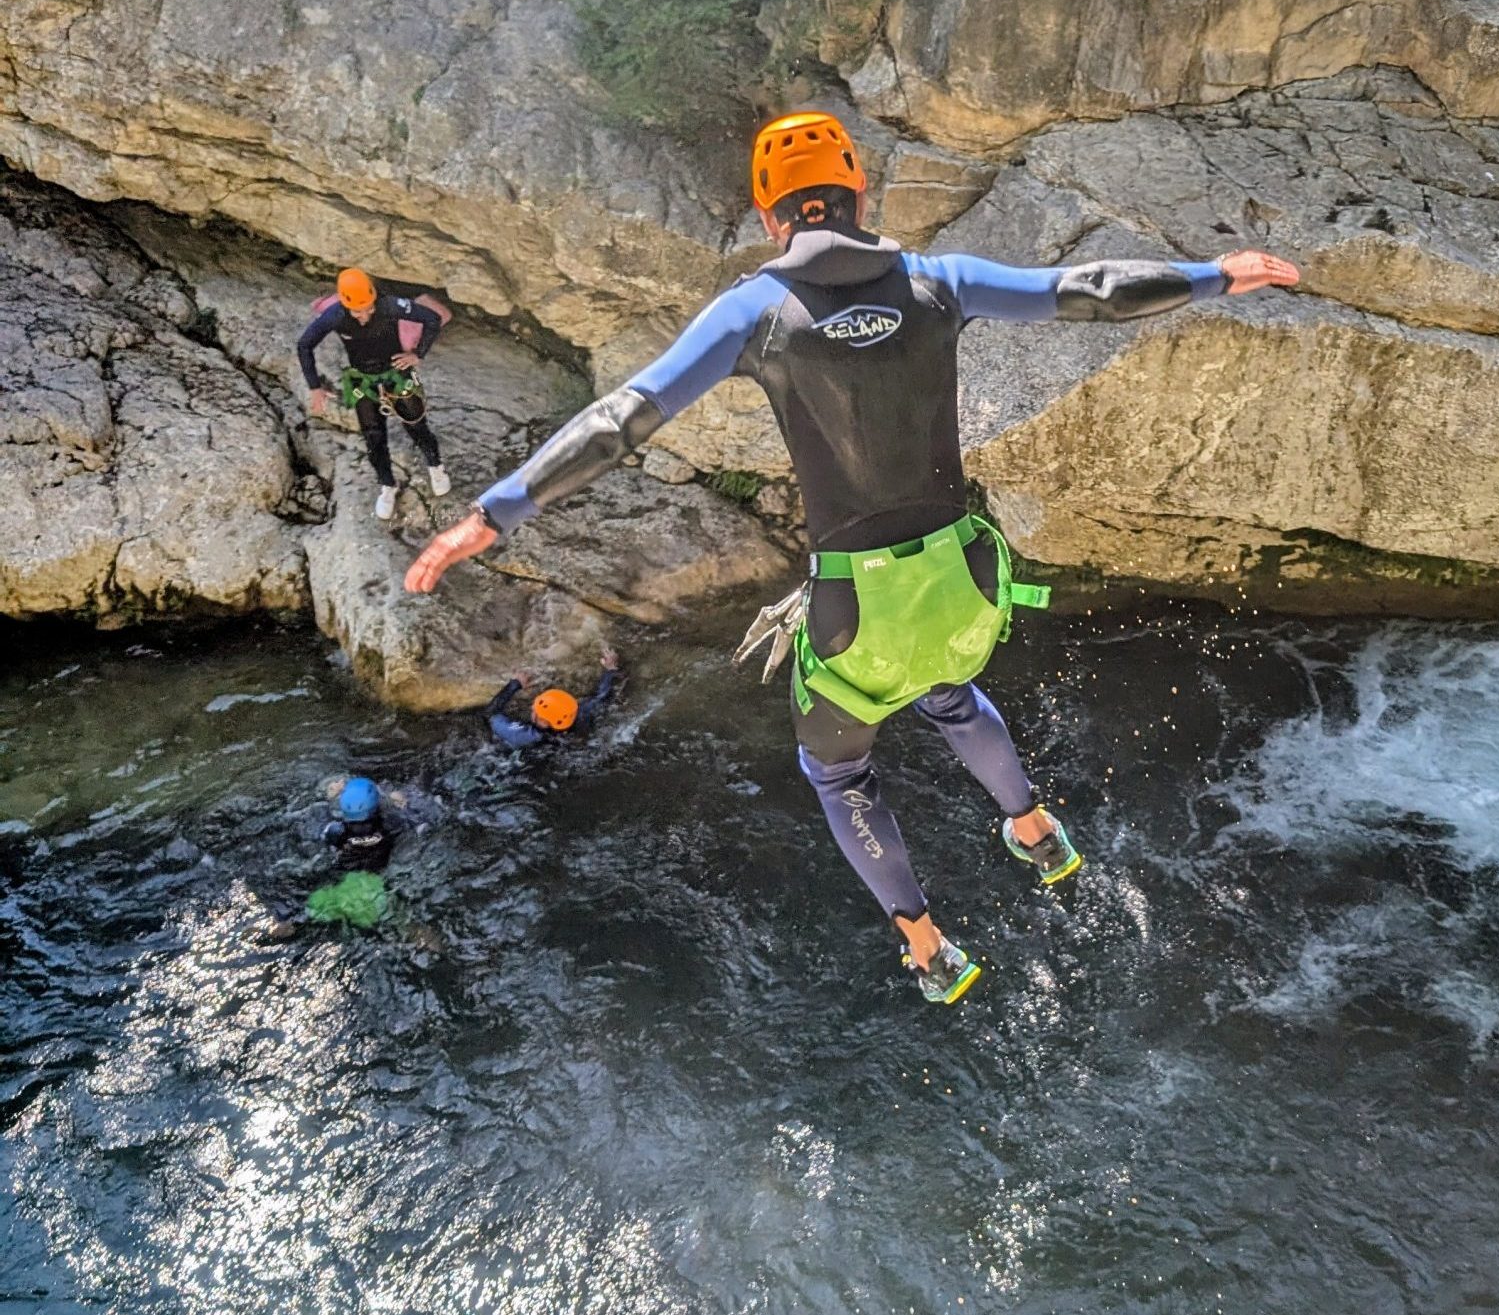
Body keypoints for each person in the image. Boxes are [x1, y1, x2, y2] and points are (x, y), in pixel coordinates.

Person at [405, 110, 1299, 1003]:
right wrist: (1215, 274)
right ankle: (1033, 829)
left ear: (770, 218)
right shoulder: (939, 279)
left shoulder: (753, 312)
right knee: (949, 691)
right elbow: (1091, 288)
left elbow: (619, 422)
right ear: (860, 191)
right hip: (968, 584)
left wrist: (492, 513)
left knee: (839, 771)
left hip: (857, 616)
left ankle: (926, 942)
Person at [296, 266, 453, 520]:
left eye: (369, 307)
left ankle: (436, 466)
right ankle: (387, 485)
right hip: (362, 379)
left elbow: (431, 319)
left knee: (416, 424)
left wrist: (417, 354)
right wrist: (315, 387)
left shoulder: (389, 306)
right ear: (345, 305)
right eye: (358, 311)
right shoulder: (335, 316)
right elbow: (305, 345)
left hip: (396, 371)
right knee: (373, 436)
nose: (365, 315)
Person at [261, 775, 411, 941]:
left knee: (309, 909)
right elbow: (410, 821)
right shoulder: (392, 824)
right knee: (396, 920)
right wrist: (401, 802)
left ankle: (289, 925)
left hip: (340, 881)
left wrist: (330, 795)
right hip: (375, 884)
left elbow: (320, 833)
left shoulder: (336, 831)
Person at [487, 649, 622, 748]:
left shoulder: (527, 737)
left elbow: (490, 714)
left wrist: (515, 684)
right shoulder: (579, 713)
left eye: (536, 708)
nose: (532, 707)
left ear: (543, 722)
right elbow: (601, 696)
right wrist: (610, 669)